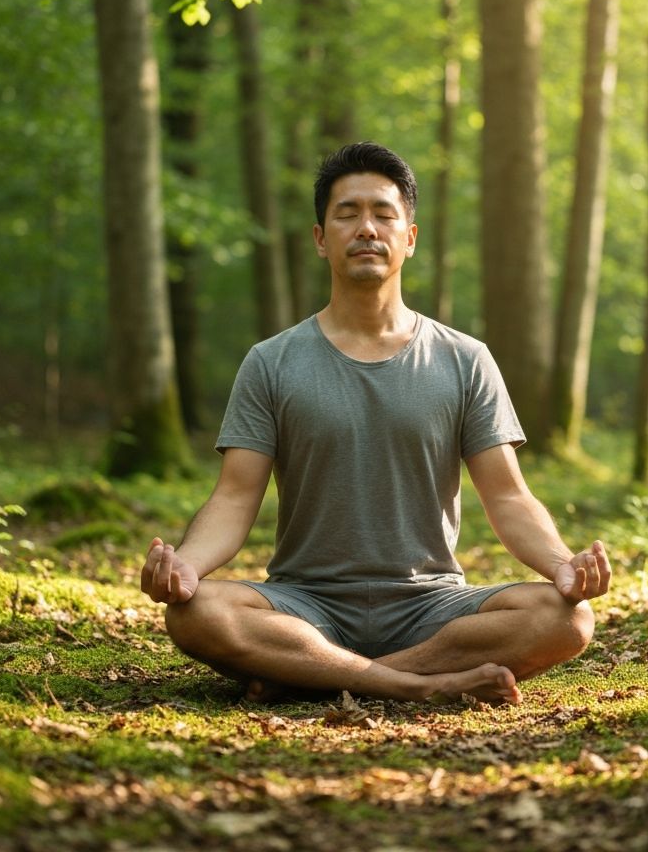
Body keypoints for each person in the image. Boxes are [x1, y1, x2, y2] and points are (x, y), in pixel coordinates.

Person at [141, 141, 610, 705]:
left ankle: (316, 677)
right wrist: (186, 568)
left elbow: (508, 496)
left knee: (566, 619)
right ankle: (415, 686)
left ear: (409, 238)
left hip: (431, 607)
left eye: (384, 214)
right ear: (320, 238)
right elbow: (235, 497)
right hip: (304, 605)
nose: (367, 228)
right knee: (196, 615)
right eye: (347, 214)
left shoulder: (465, 359)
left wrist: (563, 566)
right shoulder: (271, 361)